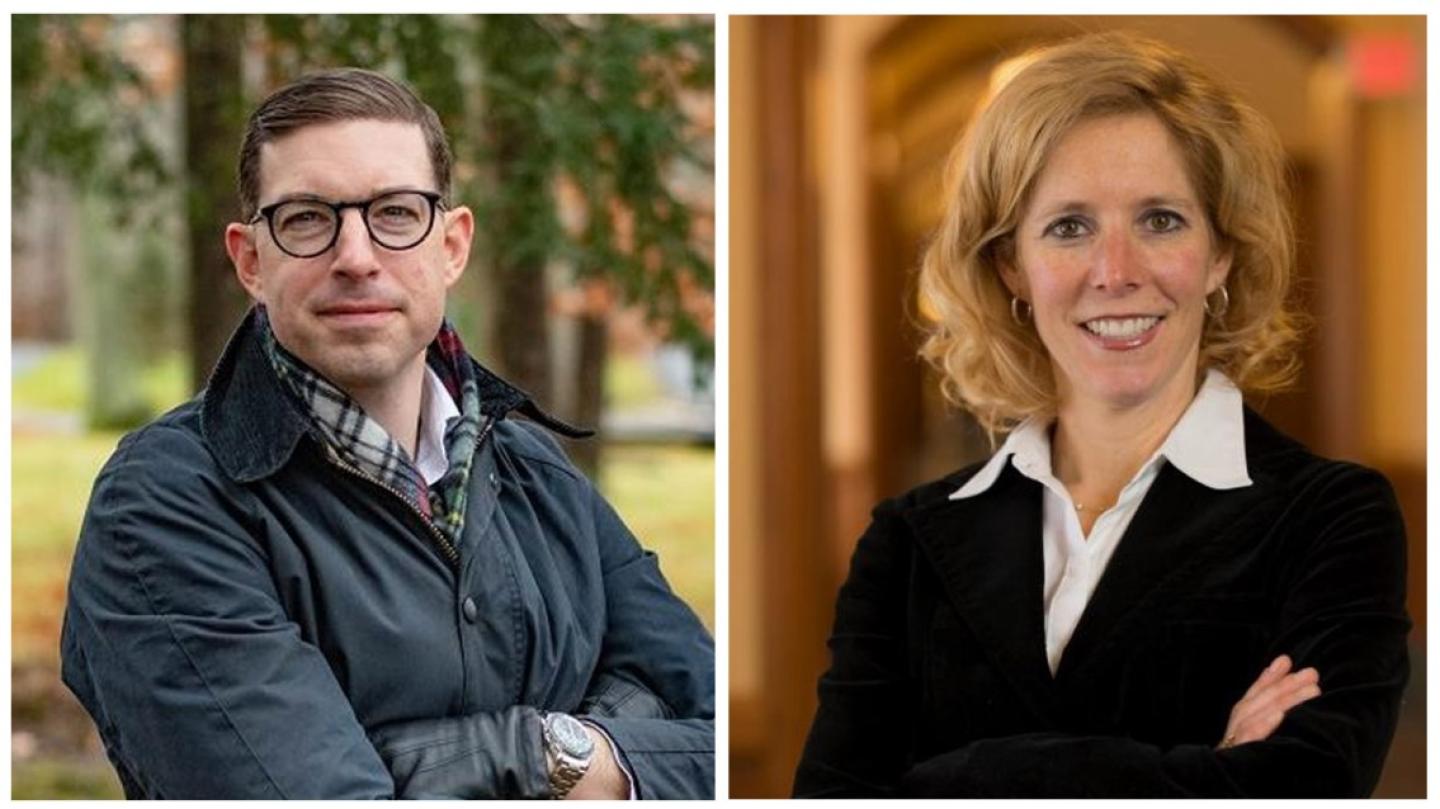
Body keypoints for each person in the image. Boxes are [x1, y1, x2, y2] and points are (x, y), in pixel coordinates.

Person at [61, 68, 714, 799]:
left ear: (452, 246)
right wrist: (585, 755)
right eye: (307, 218)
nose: (356, 256)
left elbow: (725, 743)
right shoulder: (164, 503)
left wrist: (531, 750)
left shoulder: (536, 470)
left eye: (396, 213)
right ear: (251, 259)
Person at [793, 32, 1408, 798]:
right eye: (1069, 227)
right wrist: (1207, 767)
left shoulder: (1332, 518)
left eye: (1159, 220)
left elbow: (1305, 785)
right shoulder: (909, 540)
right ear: (1010, 264)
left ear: (1221, 251)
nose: (1116, 273)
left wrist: (958, 774)